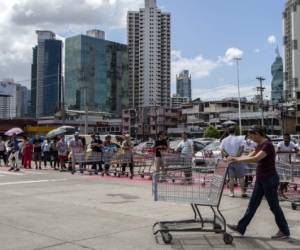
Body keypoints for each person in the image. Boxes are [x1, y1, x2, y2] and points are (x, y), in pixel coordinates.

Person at [227, 125, 290, 239]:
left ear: (258, 134)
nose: (251, 139)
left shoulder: (267, 145)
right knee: (252, 205)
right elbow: (249, 155)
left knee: (274, 206)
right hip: (261, 179)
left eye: (252, 136)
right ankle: (241, 227)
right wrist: (234, 158)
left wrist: (236, 159)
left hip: (269, 179)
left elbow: (256, 158)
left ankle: (284, 231)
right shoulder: (260, 145)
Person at [220, 127, 246, 198]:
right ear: (235, 131)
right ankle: (243, 192)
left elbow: (222, 150)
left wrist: (229, 156)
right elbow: (242, 148)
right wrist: (236, 157)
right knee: (241, 177)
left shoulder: (224, 140)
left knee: (231, 178)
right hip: (238, 160)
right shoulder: (240, 138)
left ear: (228, 132)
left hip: (229, 161)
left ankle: (231, 192)